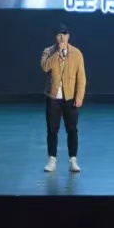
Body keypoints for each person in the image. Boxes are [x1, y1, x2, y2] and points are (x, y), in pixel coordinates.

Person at [40, 23, 86, 172]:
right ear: (55, 37)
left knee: (72, 129)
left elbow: (81, 77)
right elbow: (45, 67)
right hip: (53, 97)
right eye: (59, 35)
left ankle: (73, 160)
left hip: (70, 97)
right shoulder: (48, 51)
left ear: (68, 36)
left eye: (64, 35)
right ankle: (52, 160)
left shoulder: (76, 53)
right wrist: (56, 54)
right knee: (52, 130)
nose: (62, 38)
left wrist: (79, 96)